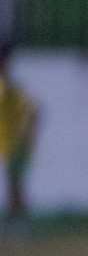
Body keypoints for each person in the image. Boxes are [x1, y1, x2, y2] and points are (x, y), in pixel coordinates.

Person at [0, 43, 39, 228]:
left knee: (15, 183)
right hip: (10, 142)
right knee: (14, 183)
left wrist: (26, 134)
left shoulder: (11, 89)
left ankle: (20, 219)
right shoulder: (10, 88)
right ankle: (18, 219)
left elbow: (34, 111)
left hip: (17, 143)